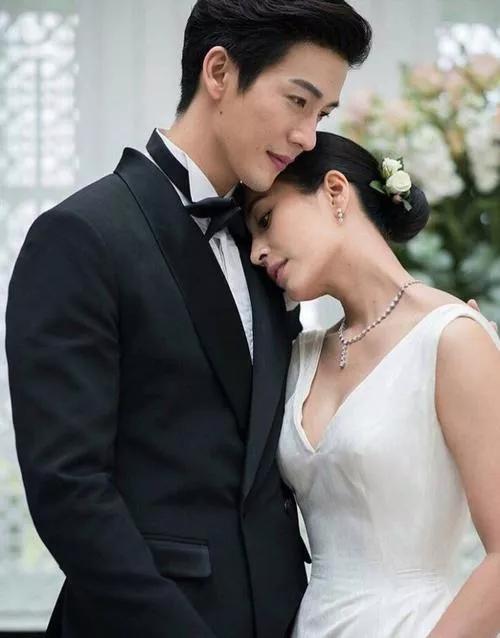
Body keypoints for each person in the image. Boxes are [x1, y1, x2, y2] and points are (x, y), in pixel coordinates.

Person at [5, 2, 373, 637]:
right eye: (297, 101)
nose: (308, 137)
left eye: (322, 115)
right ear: (220, 71)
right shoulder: (80, 236)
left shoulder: (269, 248)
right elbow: (69, 491)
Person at [245, 132, 500, 637]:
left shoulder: (450, 338)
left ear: (335, 191)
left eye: (265, 219)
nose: (256, 252)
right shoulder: (301, 355)